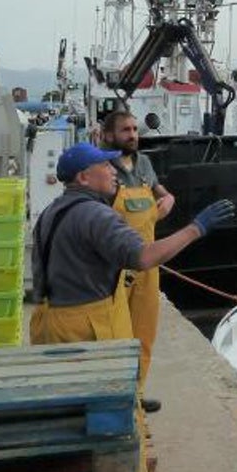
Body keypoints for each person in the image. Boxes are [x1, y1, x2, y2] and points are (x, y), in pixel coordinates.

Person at [30, 142, 235, 472]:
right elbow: (143, 256)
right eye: (104, 168)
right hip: (88, 327)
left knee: (72, 417)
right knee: (119, 419)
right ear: (84, 176)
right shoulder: (95, 215)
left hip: (51, 320)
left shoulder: (52, 211)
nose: (113, 172)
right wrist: (196, 228)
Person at [100, 110, 176, 413]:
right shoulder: (103, 169)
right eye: (125, 130)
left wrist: (169, 198)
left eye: (134, 129)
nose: (132, 135)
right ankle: (113, 393)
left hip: (148, 263)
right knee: (115, 332)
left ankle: (137, 391)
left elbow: (162, 193)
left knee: (144, 330)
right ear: (108, 136)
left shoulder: (144, 163)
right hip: (116, 266)